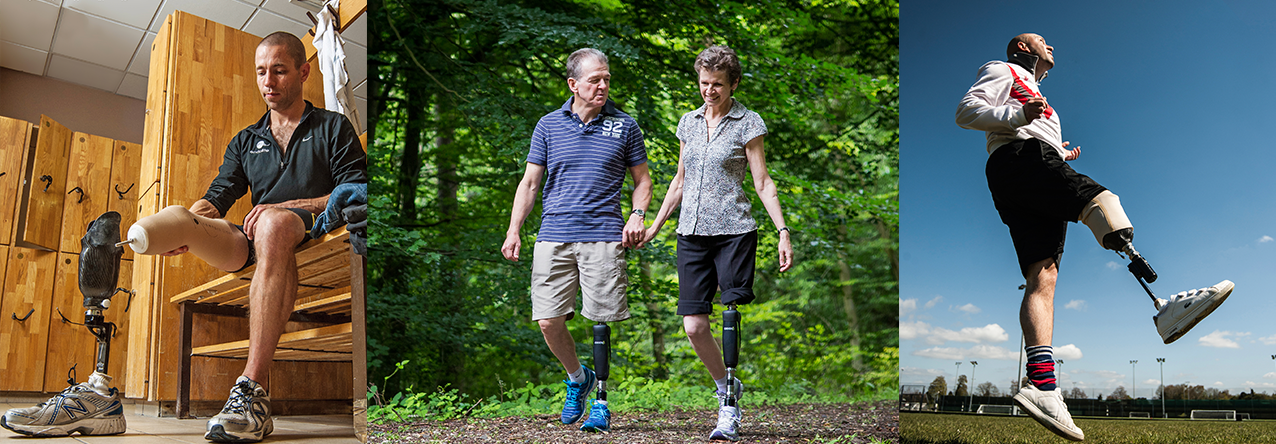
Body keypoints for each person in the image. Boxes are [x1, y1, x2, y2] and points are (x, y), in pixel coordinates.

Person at [955, 33, 1231, 441]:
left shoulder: (1039, 96)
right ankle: (1165, 305)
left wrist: (1059, 152)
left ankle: (1043, 386)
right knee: (1102, 202)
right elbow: (966, 111)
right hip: (1020, 158)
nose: (1052, 45)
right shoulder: (1003, 69)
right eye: (1042, 41)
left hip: (1020, 167)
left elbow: (1029, 127)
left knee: (1042, 277)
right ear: (1022, 48)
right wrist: (1020, 119)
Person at [641, 45, 793, 442]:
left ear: (734, 83)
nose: (710, 91)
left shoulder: (748, 122)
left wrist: (782, 231)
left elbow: (762, 182)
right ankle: (726, 384)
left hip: (734, 231)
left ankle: (728, 411)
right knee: (693, 326)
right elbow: (679, 180)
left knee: (729, 313)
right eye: (704, 83)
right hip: (690, 233)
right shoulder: (687, 123)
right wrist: (657, 225)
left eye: (718, 85)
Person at [501, 48, 652, 433]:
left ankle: (600, 400)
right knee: (549, 321)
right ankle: (577, 377)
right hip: (553, 235)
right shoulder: (548, 125)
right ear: (573, 84)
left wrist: (637, 215)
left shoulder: (625, 126)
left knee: (601, 320)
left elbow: (643, 182)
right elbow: (531, 183)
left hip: (603, 234)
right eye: (594, 80)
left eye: (606, 79)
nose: (603, 86)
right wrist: (514, 228)